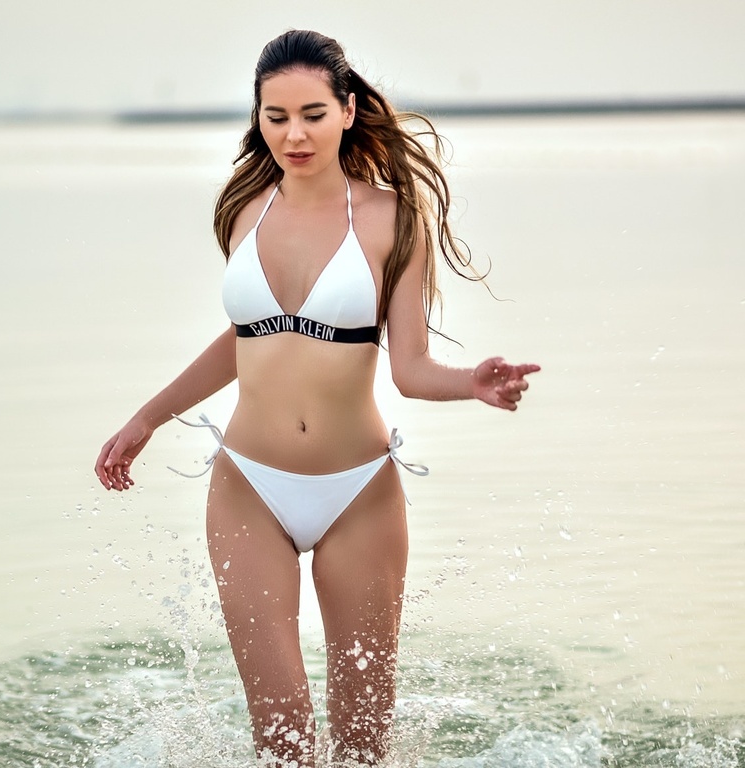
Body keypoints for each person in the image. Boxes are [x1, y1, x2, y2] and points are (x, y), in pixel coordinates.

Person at [94, 29, 539, 767]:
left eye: (310, 113)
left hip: (358, 491)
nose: (293, 133)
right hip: (248, 486)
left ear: (347, 110)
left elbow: (410, 368)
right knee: (283, 740)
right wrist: (147, 417)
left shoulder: (392, 218)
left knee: (363, 747)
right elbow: (248, 336)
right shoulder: (244, 208)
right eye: (275, 116)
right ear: (258, 118)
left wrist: (471, 385)